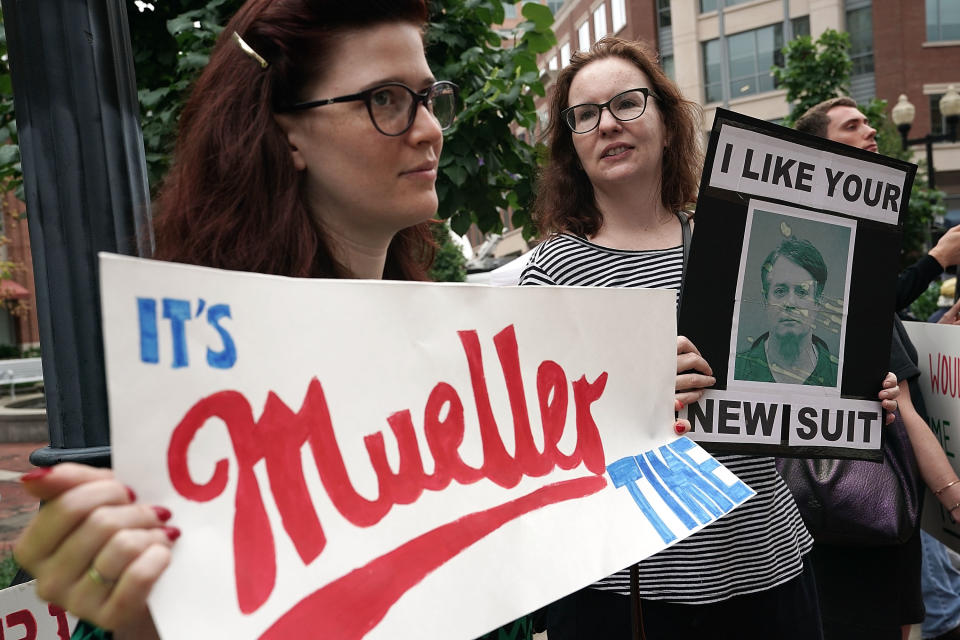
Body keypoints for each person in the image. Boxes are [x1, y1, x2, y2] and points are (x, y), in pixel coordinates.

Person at [10, 1, 484, 639]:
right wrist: (141, 620)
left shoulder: (461, 362)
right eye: (386, 100)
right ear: (288, 135)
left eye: (430, 97)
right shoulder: (202, 387)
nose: (429, 129)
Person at [519, 37, 899, 639]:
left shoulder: (742, 241)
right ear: (571, 144)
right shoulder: (551, 271)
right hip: (630, 586)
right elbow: (538, 435)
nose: (608, 124)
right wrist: (635, 390)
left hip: (767, 563)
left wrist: (846, 388)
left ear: (667, 125)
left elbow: (782, 377)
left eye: (627, 103)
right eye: (584, 115)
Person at [794, 95, 960, 640]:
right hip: (864, 516)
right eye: (854, 125)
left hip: (826, 523)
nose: (872, 130)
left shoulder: (847, 256)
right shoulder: (843, 267)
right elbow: (904, 409)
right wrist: (954, 498)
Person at [734, 237, 838, 386]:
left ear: (818, 303)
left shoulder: (842, 376)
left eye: (802, 292)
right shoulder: (733, 370)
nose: (790, 303)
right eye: (780, 291)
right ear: (765, 300)